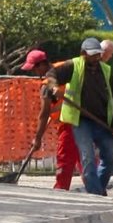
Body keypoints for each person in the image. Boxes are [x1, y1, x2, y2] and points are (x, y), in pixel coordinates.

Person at [43, 36, 113, 196]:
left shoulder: (106, 70)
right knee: (88, 159)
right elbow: (51, 74)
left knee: (110, 157)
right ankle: (96, 194)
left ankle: (96, 190)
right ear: (83, 53)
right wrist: (54, 87)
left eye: (98, 54)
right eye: (92, 54)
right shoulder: (74, 65)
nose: (96, 57)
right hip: (81, 120)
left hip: (102, 121)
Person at [23, 48, 83, 192]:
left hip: (68, 121)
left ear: (42, 65)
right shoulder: (62, 68)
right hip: (81, 118)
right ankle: (96, 185)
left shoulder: (48, 83)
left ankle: (60, 189)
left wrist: (37, 139)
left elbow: (44, 113)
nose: (34, 73)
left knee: (65, 156)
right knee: (83, 155)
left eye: (34, 69)